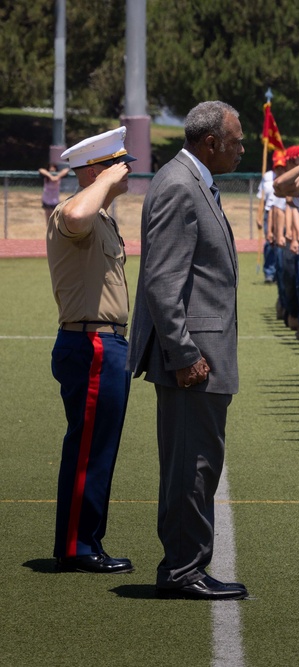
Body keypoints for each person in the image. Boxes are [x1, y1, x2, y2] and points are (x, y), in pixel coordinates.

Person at [128, 101, 248, 599]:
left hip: (201, 354)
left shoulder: (190, 178)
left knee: (199, 465)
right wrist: (182, 354)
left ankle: (188, 565)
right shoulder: (181, 184)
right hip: (191, 361)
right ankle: (182, 571)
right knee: (190, 468)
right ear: (210, 143)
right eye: (237, 139)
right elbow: (162, 282)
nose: (244, 147)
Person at [46, 127, 135, 574]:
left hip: (107, 341)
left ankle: (84, 541)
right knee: (88, 450)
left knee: (97, 448)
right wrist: (99, 181)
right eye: (121, 166)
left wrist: (101, 185)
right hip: (92, 342)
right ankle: (78, 546)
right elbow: (78, 215)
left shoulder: (103, 217)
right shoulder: (76, 209)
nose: (127, 174)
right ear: (98, 170)